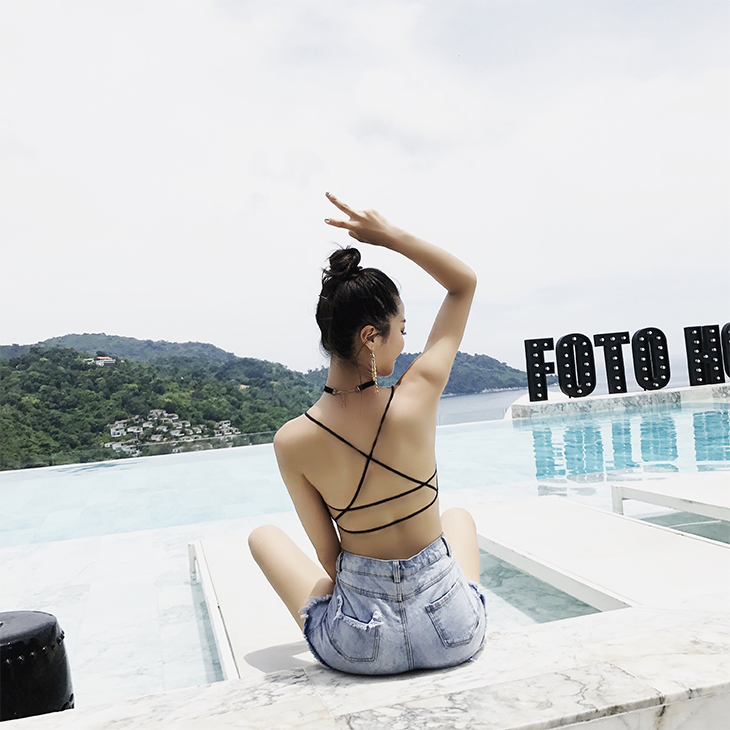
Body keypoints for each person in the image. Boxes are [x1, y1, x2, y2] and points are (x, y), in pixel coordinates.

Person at [248, 193, 487, 674]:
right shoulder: (418, 394)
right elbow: (463, 284)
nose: (404, 341)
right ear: (370, 337)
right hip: (453, 633)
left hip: (361, 646)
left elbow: (329, 557)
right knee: (458, 518)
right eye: (400, 329)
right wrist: (390, 236)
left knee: (263, 537)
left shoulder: (292, 440)